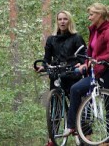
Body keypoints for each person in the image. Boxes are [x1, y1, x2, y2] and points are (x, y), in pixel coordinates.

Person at [64, 3, 109, 141]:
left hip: (108, 71)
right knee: (75, 89)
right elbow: (90, 53)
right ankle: (71, 126)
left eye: (91, 15)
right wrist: (85, 64)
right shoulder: (94, 31)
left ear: (99, 15)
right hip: (94, 72)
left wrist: (99, 60)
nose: (89, 18)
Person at [35, 10, 86, 146]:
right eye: (60, 19)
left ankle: (86, 136)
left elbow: (83, 57)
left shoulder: (77, 37)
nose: (62, 21)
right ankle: (52, 139)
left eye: (65, 19)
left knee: (78, 105)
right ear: (57, 22)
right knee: (55, 107)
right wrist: (42, 67)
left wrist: (79, 65)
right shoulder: (51, 39)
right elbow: (46, 59)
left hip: (72, 75)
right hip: (56, 75)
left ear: (69, 21)